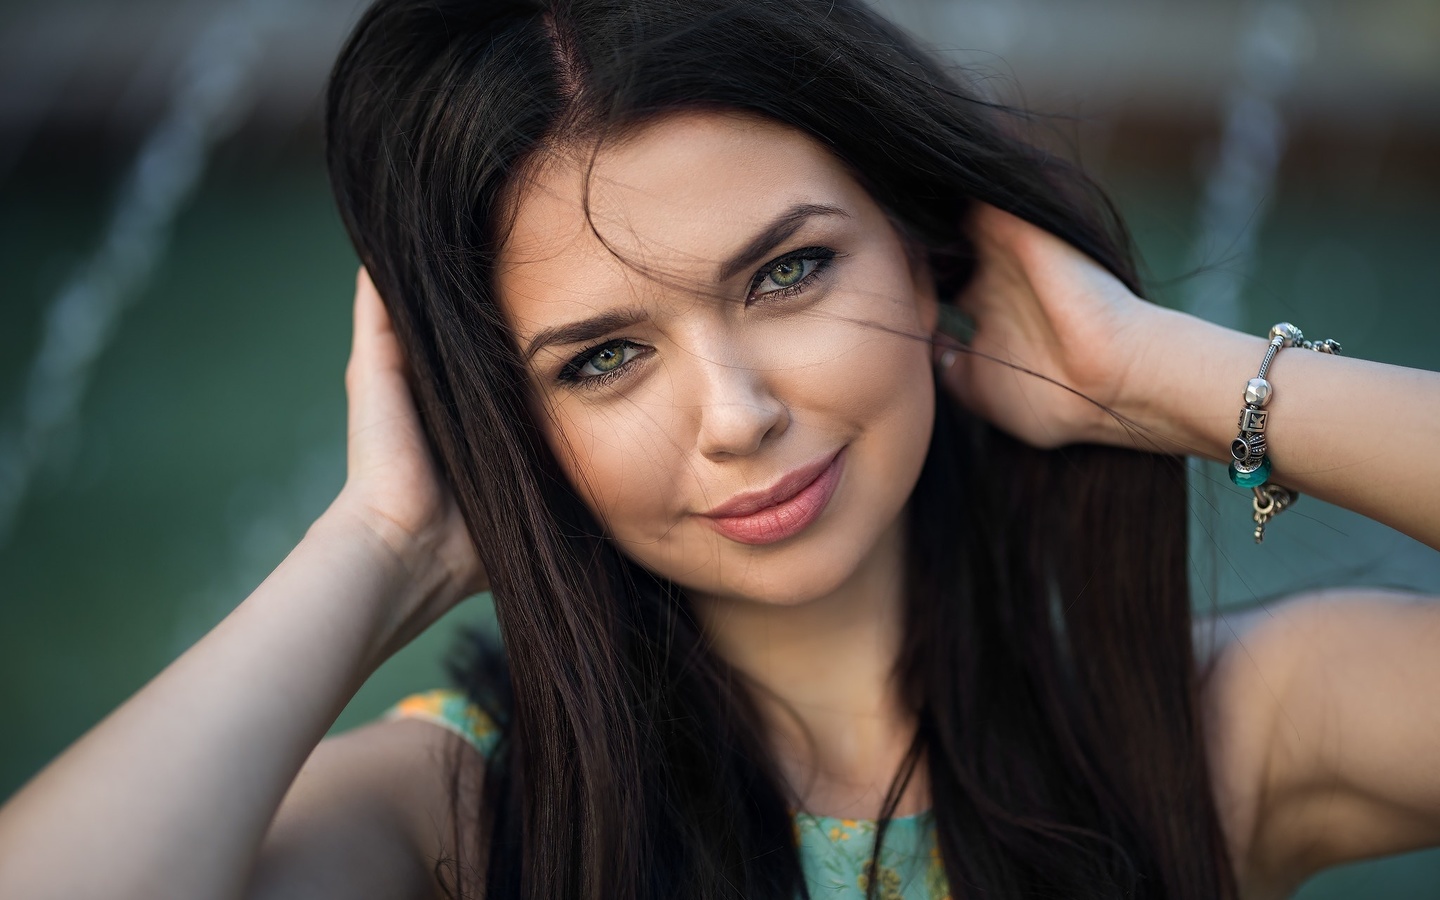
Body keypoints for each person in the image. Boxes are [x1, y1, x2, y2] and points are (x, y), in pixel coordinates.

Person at [1, 0, 1438, 897]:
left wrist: (1168, 376)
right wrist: (378, 544)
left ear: (928, 249)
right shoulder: (465, 820)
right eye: (603, 359)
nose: (738, 412)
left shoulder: (1209, 740)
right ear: (517, 420)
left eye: (790, 274)